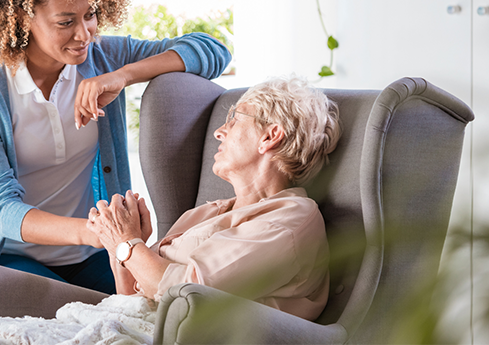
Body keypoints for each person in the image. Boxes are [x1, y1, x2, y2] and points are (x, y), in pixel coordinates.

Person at [0, 0, 231, 295]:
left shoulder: (103, 59)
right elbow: (0, 208)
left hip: (90, 255)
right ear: (22, 17)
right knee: (73, 314)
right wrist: (99, 232)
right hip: (10, 256)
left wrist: (123, 76)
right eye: (66, 22)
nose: (84, 35)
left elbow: (212, 51)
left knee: (161, 303)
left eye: (91, 14)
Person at [87, 75, 341, 320]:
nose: (219, 131)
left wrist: (127, 243)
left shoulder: (290, 220)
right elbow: (130, 301)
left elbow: (187, 296)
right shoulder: (204, 213)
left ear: (270, 136)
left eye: (235, 119)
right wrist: (118, 245)